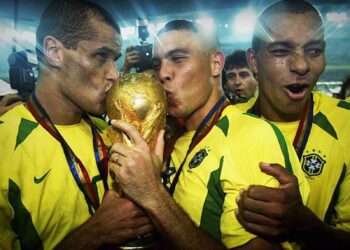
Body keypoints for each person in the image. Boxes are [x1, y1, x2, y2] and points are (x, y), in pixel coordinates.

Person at [108, 19, 309, 249]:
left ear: (215, 64)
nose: (162, 73)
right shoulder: (174, 138)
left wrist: (153, 195)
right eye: (157, 63)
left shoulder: (252, 135)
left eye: (178, 58)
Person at [0, 1, 154, 249]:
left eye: (114, 59)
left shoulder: (110, 133)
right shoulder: (4, 144)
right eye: (100, 56)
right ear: (53, 51)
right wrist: (92, 235)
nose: (114, 75)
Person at [234, 1, 350, 249]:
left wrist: (307, 226)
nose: (301, 65)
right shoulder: (225, 122)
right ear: (253, 61)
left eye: (314, 51)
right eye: (281, 51)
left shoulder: (347, 123)